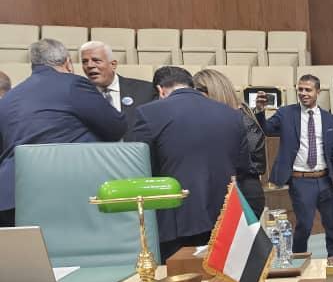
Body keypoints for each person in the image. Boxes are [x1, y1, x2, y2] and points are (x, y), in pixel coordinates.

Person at [0, 39, 126, 226]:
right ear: (68, 62)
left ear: (33, 64)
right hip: (59, 193)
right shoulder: (73, 84)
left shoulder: (9, 97)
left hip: (10, 195)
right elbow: (116, 127)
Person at [129, 66, 248, 260]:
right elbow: (241, 165)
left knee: (178, 276)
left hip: (175, 217)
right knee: (221, 274)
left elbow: (139, 167)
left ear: (160, 90)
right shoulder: (231, 114)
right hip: (224, 215)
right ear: (191, 85)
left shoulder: (148, 113)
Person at [258, 74, 333, 265]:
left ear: (318, 92)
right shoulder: (286, 114)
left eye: (308, 90)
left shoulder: (329, 119)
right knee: (304, 224)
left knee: (331, 222)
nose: (303, 93)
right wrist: (260, 111)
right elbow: (266, 129)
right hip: (300, 179)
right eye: (300, 89)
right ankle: (298, 257)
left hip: (325, 178)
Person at [194, 68, 266, 217]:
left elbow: (249, 163)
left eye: (197, 91)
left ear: (214, 90)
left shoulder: (241, 118)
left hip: (242, 192)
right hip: (225, 191)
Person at [80, 41, 158, 131]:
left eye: (96, 60)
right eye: (85, 62)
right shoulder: (79, 95)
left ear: (113, 64)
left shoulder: (145, 91)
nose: (89, 65)